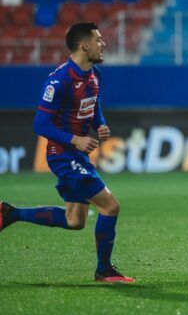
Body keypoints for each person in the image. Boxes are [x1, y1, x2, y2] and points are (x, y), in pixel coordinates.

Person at [0, 22, 134, 283]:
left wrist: (100, 124)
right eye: (98, 39)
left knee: (75, 221)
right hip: (62, 155)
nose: (102, 43)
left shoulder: (94, 75)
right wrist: (75, 139)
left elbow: (93, 104)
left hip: (77, 155)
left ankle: (11, 213)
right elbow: (40, 124)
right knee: (111, 206)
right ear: (83, 45)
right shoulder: (59, 80)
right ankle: (104, 270)